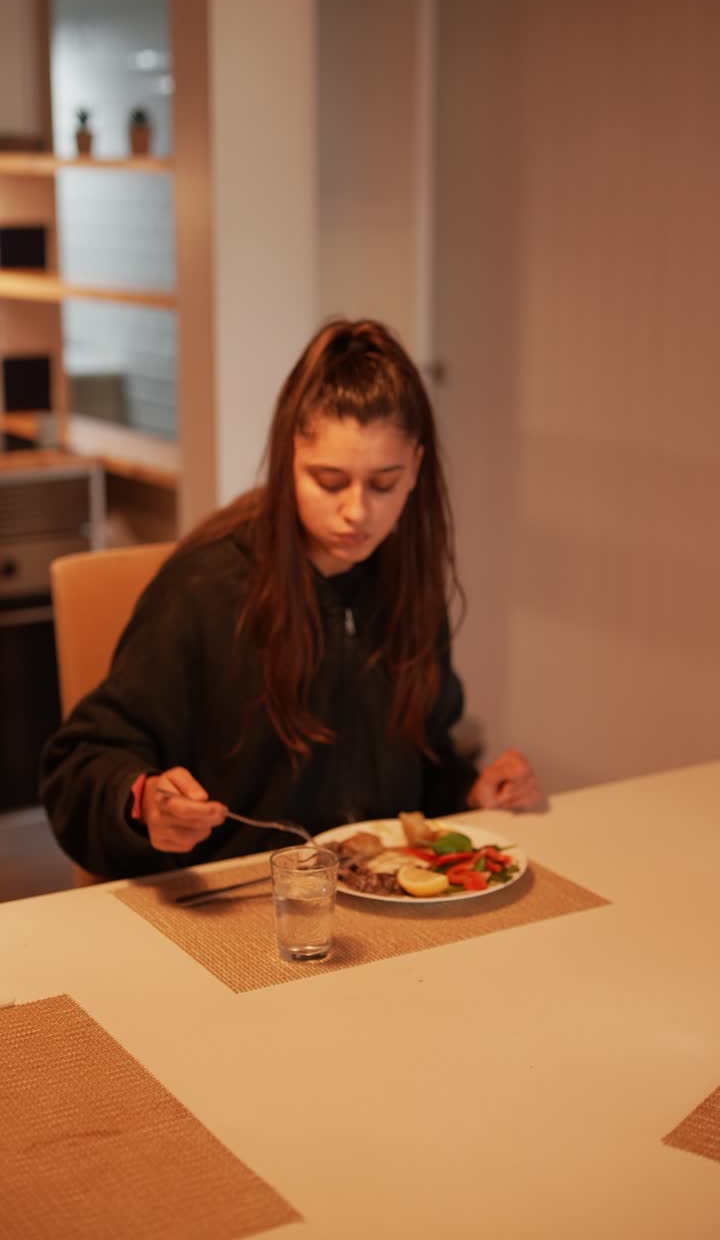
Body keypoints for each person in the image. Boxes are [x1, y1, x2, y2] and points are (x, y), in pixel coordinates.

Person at [40, 318, 540, 879]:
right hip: (240, 904)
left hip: (376, 902)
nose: (357, 512)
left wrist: (473, 791)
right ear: (288, 463)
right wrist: (144, 803)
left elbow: (419, 764)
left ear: (416, 469)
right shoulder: (206, 587)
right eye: (329, 481)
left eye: (384, 483)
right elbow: (79, 766)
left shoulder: (406, 581)